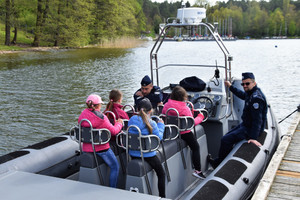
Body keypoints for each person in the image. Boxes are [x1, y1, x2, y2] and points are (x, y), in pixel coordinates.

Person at [208, 72, 267, 169]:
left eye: (247, 83)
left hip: (250, 128)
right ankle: (221, 159)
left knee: (225, 140)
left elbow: (258, 120)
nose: (244, 86)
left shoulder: (257, 99)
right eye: (243, 84)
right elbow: (243, 95)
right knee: (226, 136)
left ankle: (218, 164)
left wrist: (253, 137)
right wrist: (231, 87)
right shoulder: (251, 93)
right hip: (246, 124)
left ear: (254, 83)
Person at [78, 94, 123, 188]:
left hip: (86, 148)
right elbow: (114, 131)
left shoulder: (82, 115)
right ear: (98, 105)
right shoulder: (102, 118)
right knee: (115, 167)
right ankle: (112, 189)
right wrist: (119, 123)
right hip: (102, 149)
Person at [162, 86, 206, 179]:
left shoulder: (166, 105)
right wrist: (201, 117)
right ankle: (198, 170)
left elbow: (163, 116)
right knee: (195, 147)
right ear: (183, 97)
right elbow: (192, 123)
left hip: (171, 132)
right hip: (183, 133)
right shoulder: (185, 108)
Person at [128, 98, 166, 198]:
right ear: (150, 111)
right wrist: (161, 125)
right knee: (161, 174)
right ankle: (162, 197)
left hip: (133, 154)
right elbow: (159, 137)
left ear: (137, 110)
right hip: (148, 155)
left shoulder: (131, 120)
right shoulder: (152, 123)